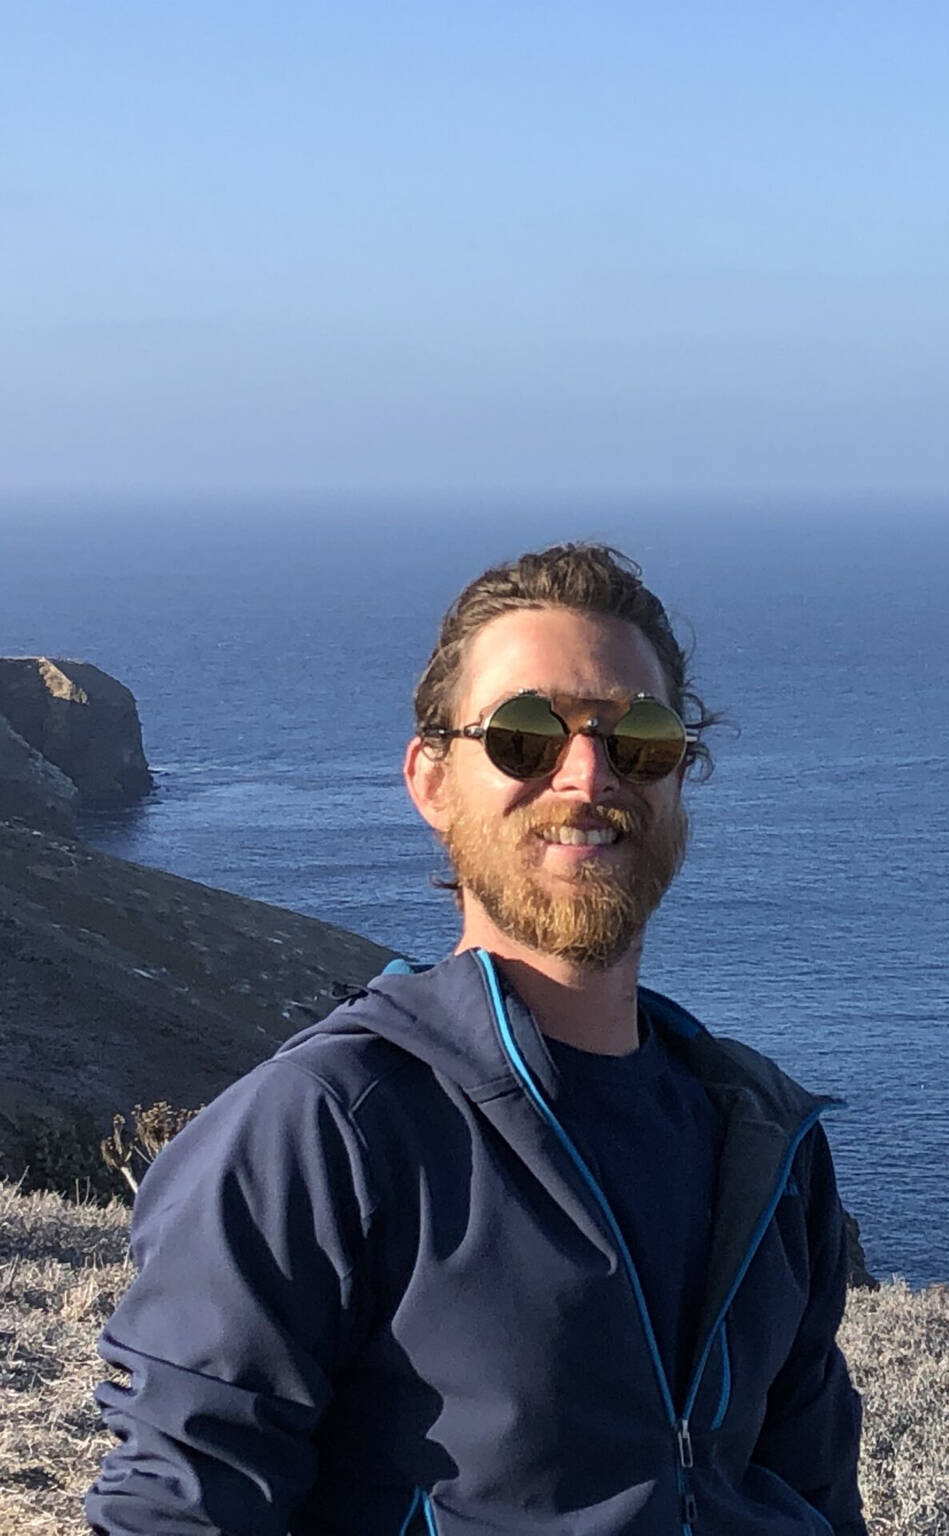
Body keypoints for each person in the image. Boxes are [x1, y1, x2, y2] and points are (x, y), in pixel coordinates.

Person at [87, 544, 865, 1535]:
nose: (587, 777)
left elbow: (813, 1498)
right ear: (432, 781)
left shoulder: (761, 1139)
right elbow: (179, 1507)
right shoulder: (328, 1130)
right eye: (525, 735)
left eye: (642, 739)